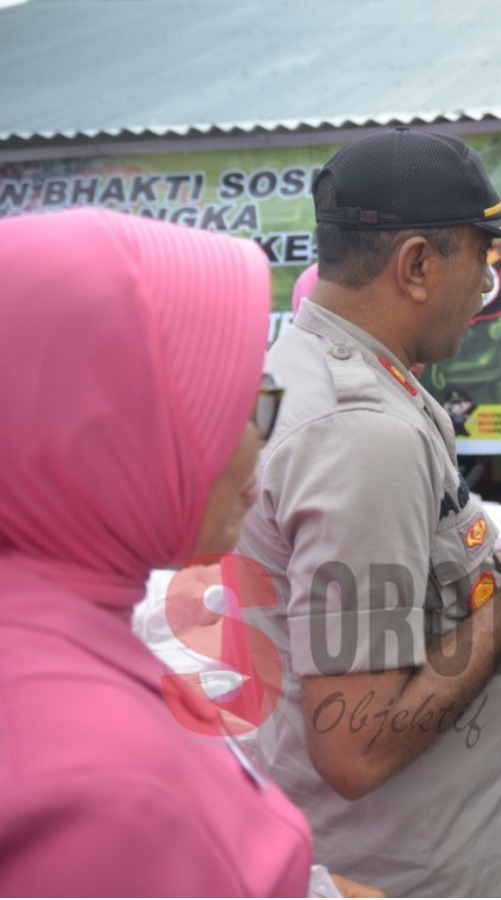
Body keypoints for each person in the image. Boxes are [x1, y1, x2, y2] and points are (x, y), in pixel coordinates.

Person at [234, 128, 501, 898]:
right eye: (484, 257)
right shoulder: (359, 431)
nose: (488, 285)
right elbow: (356, 743)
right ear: (416, 265)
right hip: (408, 869)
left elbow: (410, 582)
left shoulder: (307, 372)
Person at [0, 208, 319, 895]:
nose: (257, 442)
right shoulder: (95, 787)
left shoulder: (60, 633)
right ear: (112, 428)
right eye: (239, 405)